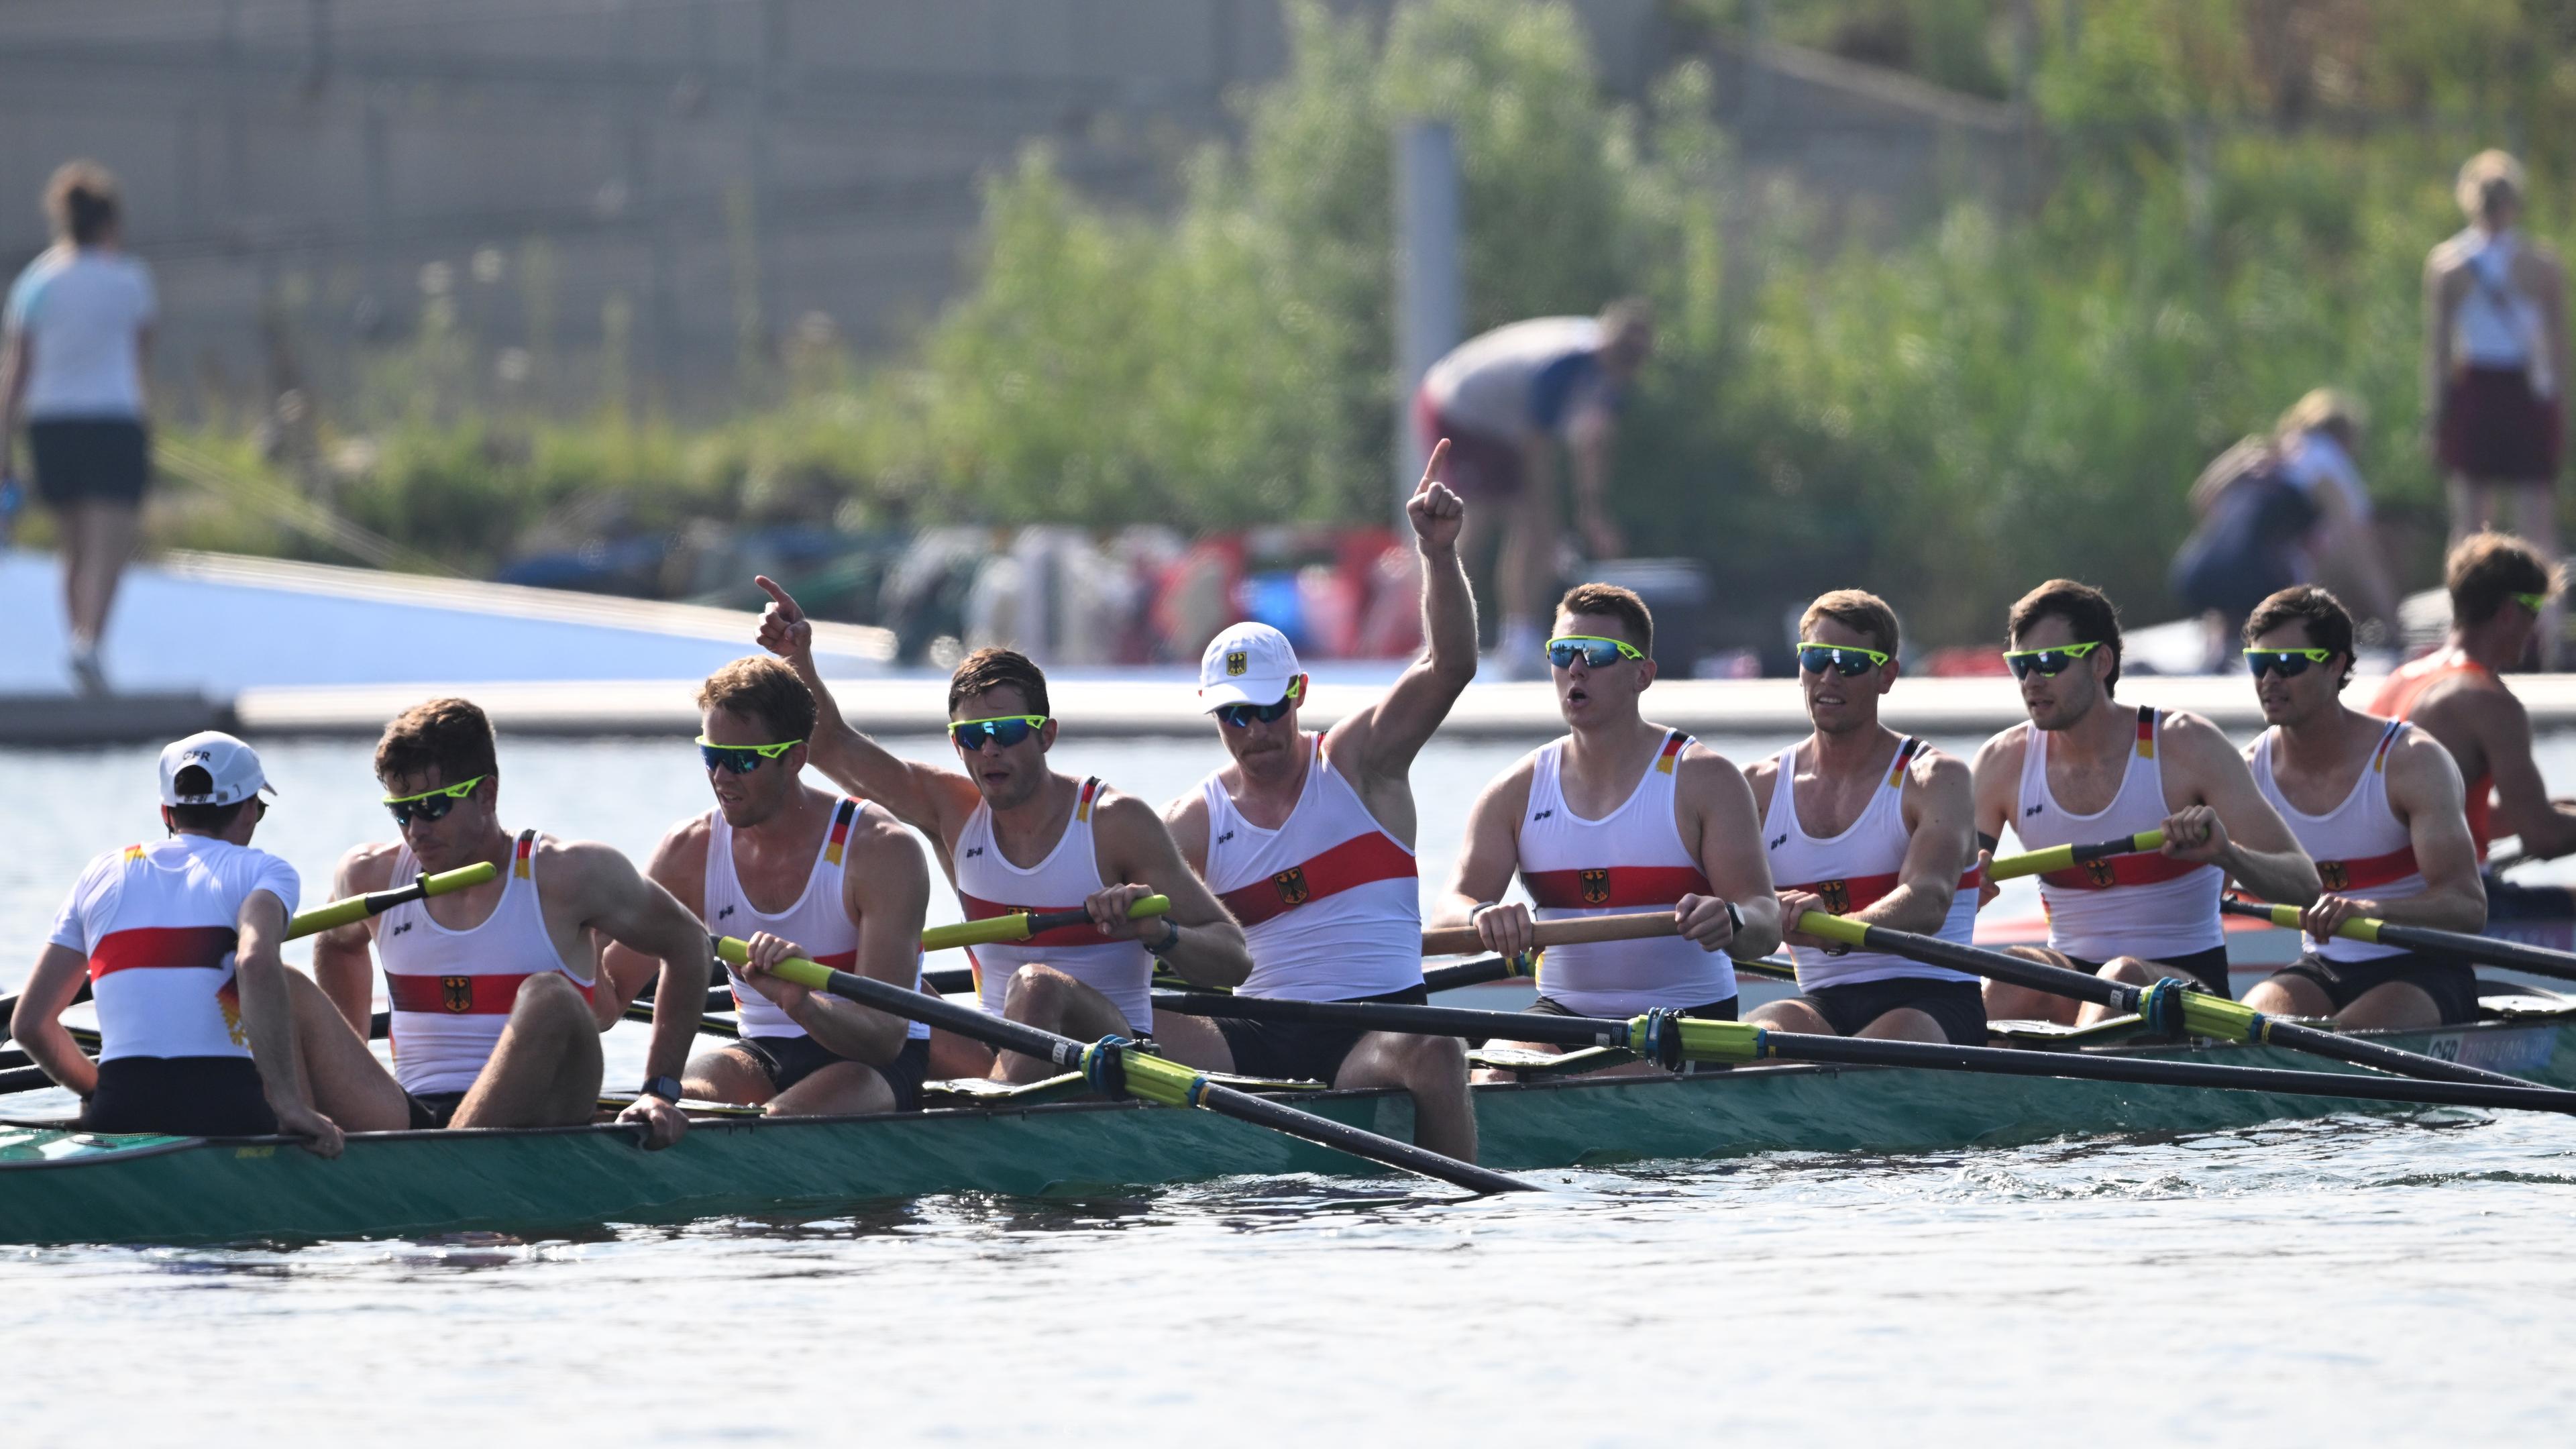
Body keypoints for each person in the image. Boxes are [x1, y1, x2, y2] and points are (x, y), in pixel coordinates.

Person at [754, 581, 1254, 1084]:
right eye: (972, 737)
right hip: (995, 1048)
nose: (989, 752)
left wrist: (1158, 932)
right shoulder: (951, 811)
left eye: (1007, 733)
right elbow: (830, 747)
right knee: (882, 988)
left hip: (1110, 1052)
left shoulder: (1113, 822)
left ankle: (988, 1115)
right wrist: (797, 659)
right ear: (957, 745)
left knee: (1037, 987)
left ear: (1046, 735)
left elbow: (1233, 958)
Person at [1148, 450, 1479, 1158]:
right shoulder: (1191, 824)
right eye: (1235, 717)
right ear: (1211, 713)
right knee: (1089, 1009)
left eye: (1269, 711)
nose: (1255, 732)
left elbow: (1449, 667)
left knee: (1439, 1050)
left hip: (1376, 1034)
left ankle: (1460, 1228)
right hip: (1252, 1040)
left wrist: (1437, 555)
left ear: (1297, 697)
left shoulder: (1362, 762)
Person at [309, 698, 705, 1144]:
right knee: (284, 983)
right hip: (414, 1114)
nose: (415, 829)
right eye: (402, 811)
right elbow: (335, 942)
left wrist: (659, 1092)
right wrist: (354, 1061)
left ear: (487, 795)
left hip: (543, 1112)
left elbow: (689, 943)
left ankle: (446, 1161)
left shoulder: (570, 874)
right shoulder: (369, 876)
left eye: (434, 807)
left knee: (550, 996)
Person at [1435, 582, 1784, 1074]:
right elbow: (1451, 909)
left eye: (1596, 654)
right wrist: (1482, 916)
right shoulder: (1514, 791)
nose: (1575, 669)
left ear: (1643, 675)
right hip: (1563, 1015)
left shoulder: (1706, 780)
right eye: (1562, 652)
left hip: (1687, 1018)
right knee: (1494, 1074)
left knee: (1584, 1079)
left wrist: (1732, 920)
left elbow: (1764, 922)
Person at [1972, 580, 2319, 1026]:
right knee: (2009, 974)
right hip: (2075, 983)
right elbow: (1947, 892)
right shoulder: (2004, 763)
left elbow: (2304, 884)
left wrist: (2227, 854)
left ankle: (2072, 1081)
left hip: (2188, 984)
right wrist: (1966, 891)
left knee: (2123, 975)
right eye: (2020, 666)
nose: (2032, 682)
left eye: (2049, 662)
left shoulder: (2186, 746)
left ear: (2100, 662)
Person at [12, 733, 381, 1150]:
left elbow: (29, 1025)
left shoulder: (103, 872)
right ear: (247, 811)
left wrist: (100, 1092)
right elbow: (256, 962)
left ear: (166, 813)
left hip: (121, 1111)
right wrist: (288, 1104)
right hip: (227, 1110)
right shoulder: (261, 871)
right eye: (260, 808)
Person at [601, 657, 935, 1115]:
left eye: (740, 761)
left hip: (873, 1064)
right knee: (672, 1106)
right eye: (711, 756)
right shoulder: (690, 851)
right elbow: (610, 996)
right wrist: (561, 939)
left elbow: (883, 1037)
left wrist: (800, 1002)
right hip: (761, 1053)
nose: (721, 777)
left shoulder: (881, 851)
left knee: (776, 1124)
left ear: (795, 758)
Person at [2235, 587, 2487, 1030]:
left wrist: (2369, 910)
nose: (2270, 679)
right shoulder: (2248, 771)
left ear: (2335, 665)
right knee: (2244, 1036)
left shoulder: (2411, 761)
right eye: (2259, 664)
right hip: (2321, 970)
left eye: (2289, 663)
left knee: (2337, 1047)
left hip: (2424, 969)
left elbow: (2467, 907)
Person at [1741, 591, 1986, 1046]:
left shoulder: (1936, 778)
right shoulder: (1759, 786)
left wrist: (1837, 931)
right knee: (1756, 1034)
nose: (1829, 676)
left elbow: (1928, 898)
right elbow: (1731, 902)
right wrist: (1755, 913)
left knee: (1880, 1046)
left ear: (1886, 675)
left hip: (1936, 1000)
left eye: (1850, 663)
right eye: (1816, 659)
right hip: (1824, 1003)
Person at [1415, 302, 1653, 678]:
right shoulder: (1564, 366)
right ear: (1609, 345)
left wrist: (1594, 513)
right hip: (1459, 405)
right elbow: (1536, 450)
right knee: (1477, 520)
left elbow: (1593, 443)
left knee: (1534, 525)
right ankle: (1434, 636)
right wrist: (1552, 519)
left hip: (1503, 422)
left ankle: (1520, 641)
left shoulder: (1612, 370)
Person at [0, 161, 158, 694]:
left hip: (52, 425)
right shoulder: (130, 281)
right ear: (109, 223)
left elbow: (15, 372)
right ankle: (91, 644)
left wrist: (5, 440)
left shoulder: (36, 283)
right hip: (112, 421)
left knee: (73, 548)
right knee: (108, 548)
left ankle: (79, 644)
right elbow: (140, 362)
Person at [2427, 150, 2569, 665]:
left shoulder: (2448, 265)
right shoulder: (2541, 263)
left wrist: (2436, 417)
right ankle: (2544, 636)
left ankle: (2460, 638)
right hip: (2525, 395)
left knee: (2469, 524)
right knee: (2537, 524)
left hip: (2478, 393)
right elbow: (2559, 350)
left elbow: (2439, 354)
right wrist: (2563, 416)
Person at [2372, 532, 2576, 863]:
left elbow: (2441, 814)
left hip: (2383, 887)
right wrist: (2541, 818)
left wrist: (2543, 809)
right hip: (2449, 901)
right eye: (2535, 609)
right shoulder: (2489, 702)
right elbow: (2544, 838)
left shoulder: (2402, 679)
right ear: (2510, 611)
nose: (2537, 627)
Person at [2170, 389, 2396, 668]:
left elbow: (2202, 500)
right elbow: (2360, 550)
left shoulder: (2265, 455)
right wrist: (2392, 623)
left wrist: (2239, 460)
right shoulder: (2325, 462)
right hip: (2253, 581)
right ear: (2345, 437)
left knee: (2248, 570)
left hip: (2193, 575)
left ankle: (2223, 639)